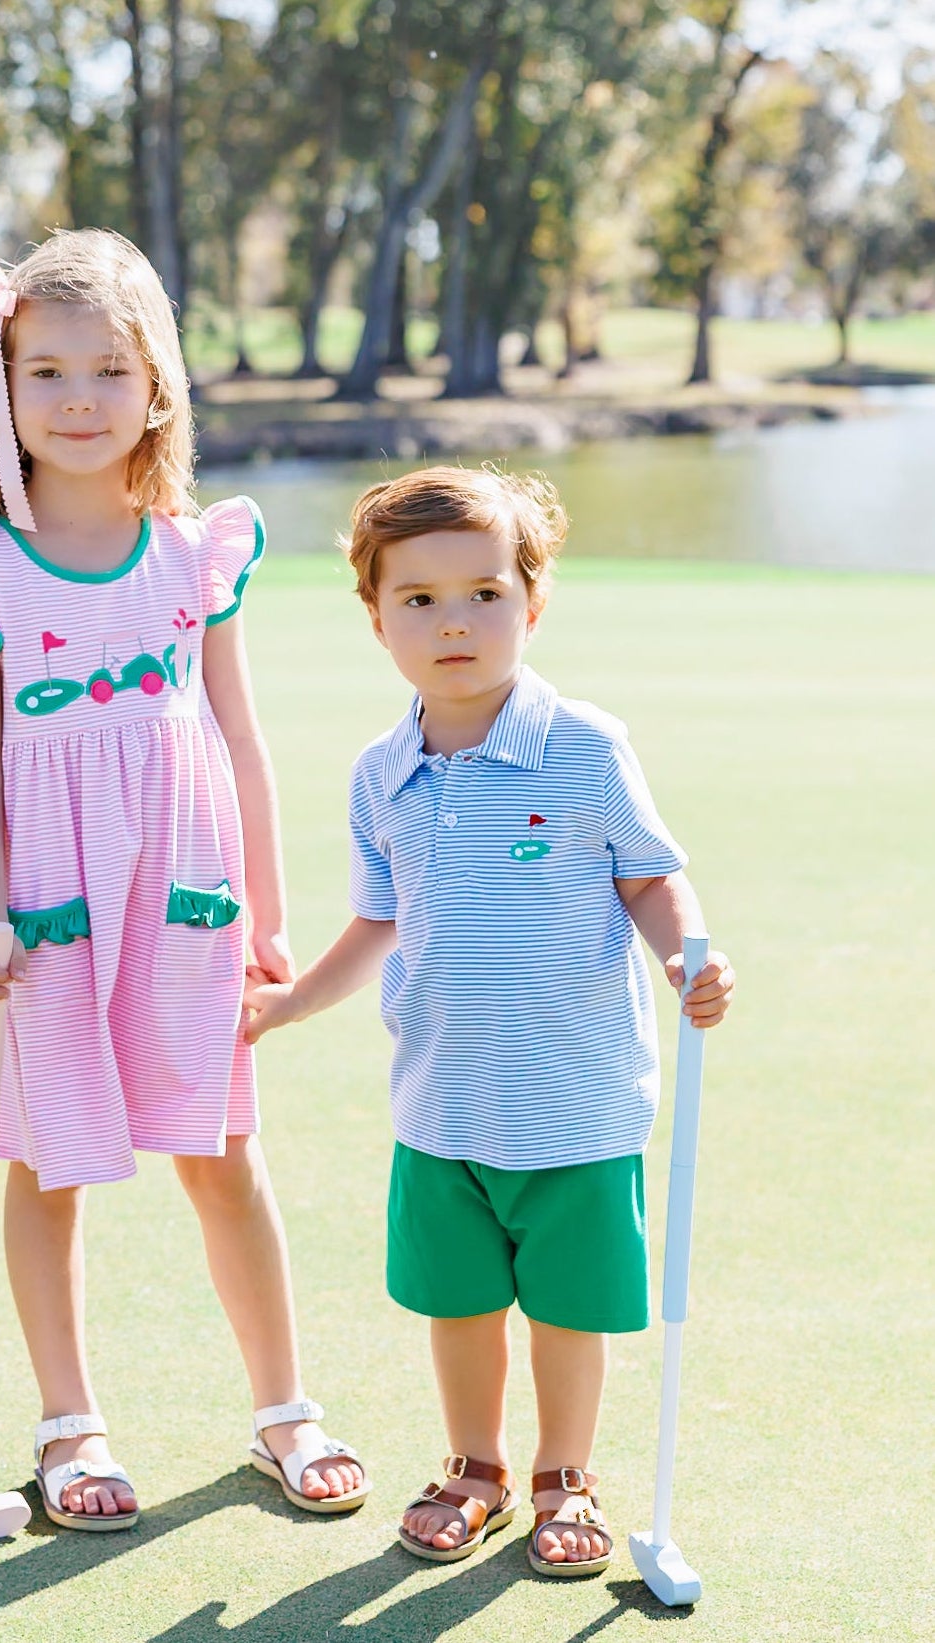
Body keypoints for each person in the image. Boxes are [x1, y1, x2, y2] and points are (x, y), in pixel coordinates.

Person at [0, 228, 368, 1531]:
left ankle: (282, 1407)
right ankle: (70, 1423)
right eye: (46, 371)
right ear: (0, 389)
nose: (80, 399)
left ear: (157, 382)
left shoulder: (192, 554)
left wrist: (268, 910)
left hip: (184, 894)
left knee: (223, 1148)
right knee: (47, 1161)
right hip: (46, 915)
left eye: (109, 369)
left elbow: (240, 738)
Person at [244, 465, 734, 1572]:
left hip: (578, 1103)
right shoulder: (380, 773)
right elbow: (380, 918)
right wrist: (293, 1001)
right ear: (376, 618)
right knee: (459, 1304)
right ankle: (476, 1465)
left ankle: (565, 1473)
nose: (453, 622)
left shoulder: (585, 746)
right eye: (418, 599)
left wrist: (683, 955)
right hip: (441, 1103)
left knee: (567, 1310)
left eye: (483, 593)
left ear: (533, 601)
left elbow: (649, 876)